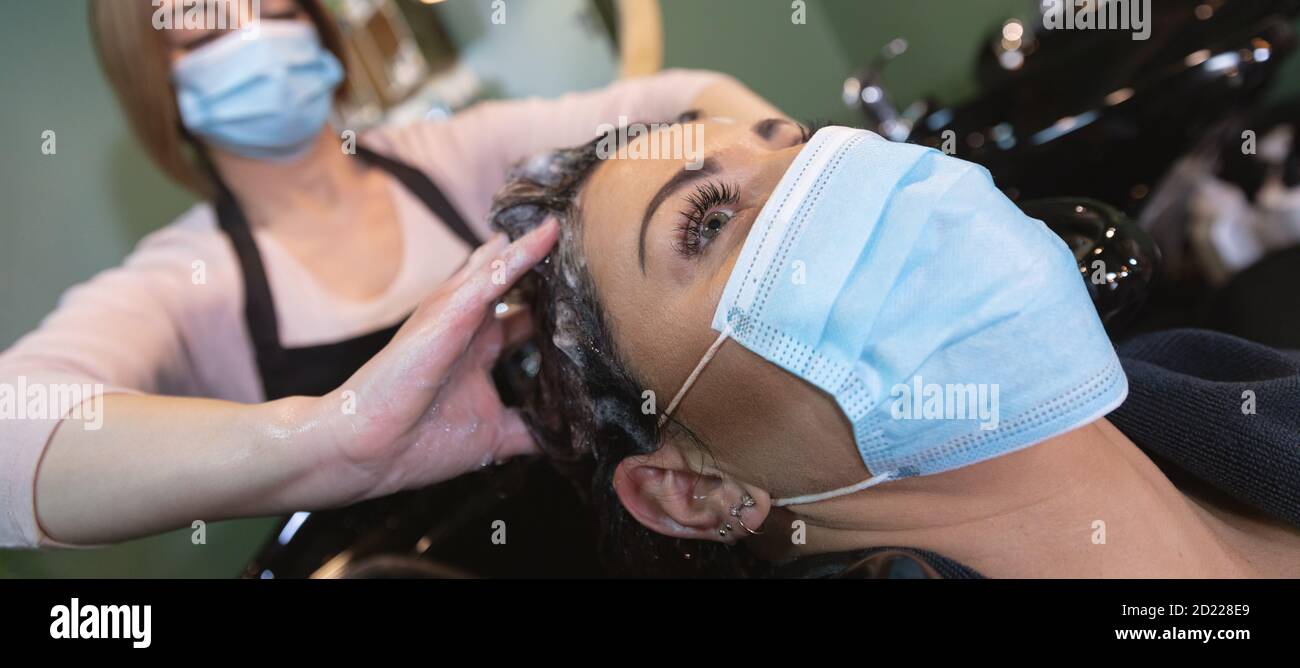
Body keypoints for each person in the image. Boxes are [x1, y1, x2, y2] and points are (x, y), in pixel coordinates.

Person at [0, 0, 778, 549]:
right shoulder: (186, 281)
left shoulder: (452, 156)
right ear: (155, 79)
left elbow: (688, 99)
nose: (260, 40)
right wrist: (325, 438)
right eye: (207, 31)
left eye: (274, 6)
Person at [487, 114, 1300, 577]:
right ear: (691, 490)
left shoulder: (1221, 379)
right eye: (707, 218)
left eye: (792, 140)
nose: (829, 168)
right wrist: (349, 456)